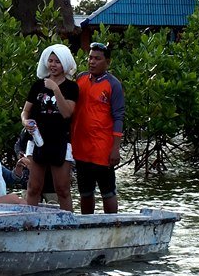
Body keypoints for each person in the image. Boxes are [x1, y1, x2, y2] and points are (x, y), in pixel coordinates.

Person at [20, 44, 79, 211]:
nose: (53, 65)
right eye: (50, 61)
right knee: (33, 187)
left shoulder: (71, 87)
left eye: (57, 62)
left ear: (65, 64)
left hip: (59, 140)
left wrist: (55, 89)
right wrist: (26, 122)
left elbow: (67, 113)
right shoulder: (38, 85)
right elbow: (25, 111)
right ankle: (30, 221)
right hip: (38, 140)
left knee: (62, 189)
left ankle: (68, 223)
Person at [71, 42, 125, 214]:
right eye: (90, 58)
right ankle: (88, 226)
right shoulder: (80, 79)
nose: (92, 62)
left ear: (107, 62)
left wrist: (115, 149)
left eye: (97, 59)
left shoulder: (113, 85)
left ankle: (112, 226)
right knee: (85, 192)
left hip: (102, 149)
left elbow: (118, 117)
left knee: (108, 192)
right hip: (80, 148)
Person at [14, 129, 56, 203]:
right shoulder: (28, 128)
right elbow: (19, 145)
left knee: (53, 205)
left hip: (51, 180)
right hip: (29, 177)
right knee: (29, 205)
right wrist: (19, 153)